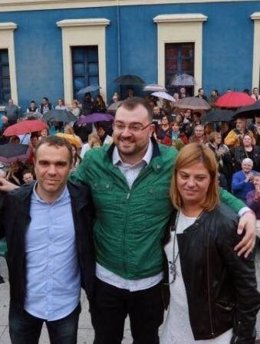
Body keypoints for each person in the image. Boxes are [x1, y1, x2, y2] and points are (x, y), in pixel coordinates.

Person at [70, 97, 256, 344]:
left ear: (151, 129)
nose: (125, 133)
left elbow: (210, 188)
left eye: (135, 127)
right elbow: (65, 189)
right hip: (106, 279)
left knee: (147, 339)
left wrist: (245, 212)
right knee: (105, 339)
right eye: (120, 125)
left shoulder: (171, 161)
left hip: (150, 284)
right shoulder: (94, 161)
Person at [160, 143, 260, 344]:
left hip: (214, 335)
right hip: (173, 329)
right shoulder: (171, 213)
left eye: (200, 177)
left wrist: (243, 337)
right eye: (184, 175)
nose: (190, 183)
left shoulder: (227, 223)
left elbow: (247, 290)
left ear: (212, 180)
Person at [0, 136, 95, 344]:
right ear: (34, 164)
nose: (52, 171)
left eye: (60, 164)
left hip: (65, 306)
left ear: (71, 166)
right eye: (44, 163)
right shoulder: (15, 202)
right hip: (23, 304)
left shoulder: (83, 200)